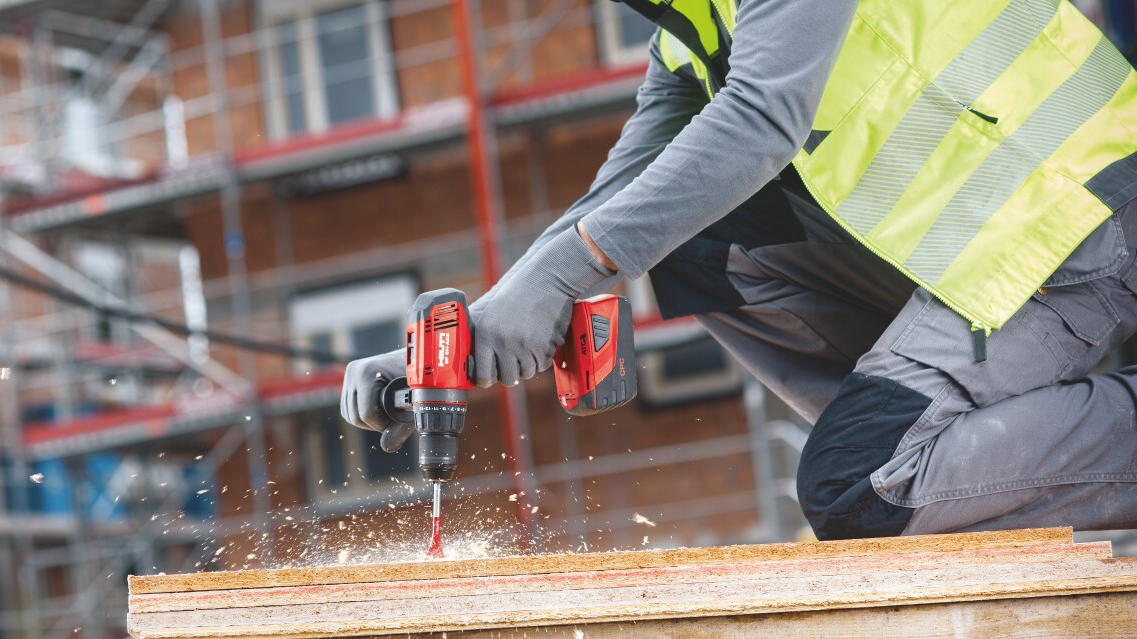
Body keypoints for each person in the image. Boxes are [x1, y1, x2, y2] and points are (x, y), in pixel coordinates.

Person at [342, 0, 1137, 540]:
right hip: (994, 241)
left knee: (859, 485)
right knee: (682, 226)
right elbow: (627, 188)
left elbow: (762, 116)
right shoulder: (694, 25)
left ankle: (923, 460)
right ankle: (949, 451)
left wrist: (559, 276)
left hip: (1078, 213)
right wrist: (479, 323)